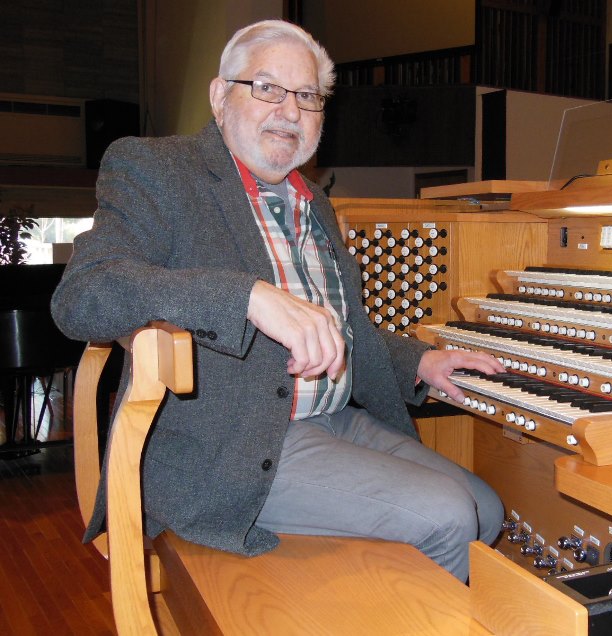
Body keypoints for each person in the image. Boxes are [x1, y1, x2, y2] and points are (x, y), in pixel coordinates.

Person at [51, 19, 505, 582]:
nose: (290, 111)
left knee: (486, 507)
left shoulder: (311, 198)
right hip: (230, 447)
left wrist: (421, 361)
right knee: (448, 516)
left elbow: (342, 330)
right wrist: (246, 296)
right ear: (220, 96)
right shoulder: (160, 170)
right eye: (266, 88)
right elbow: (83, 295)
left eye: (308, 96)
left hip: (333, 418)